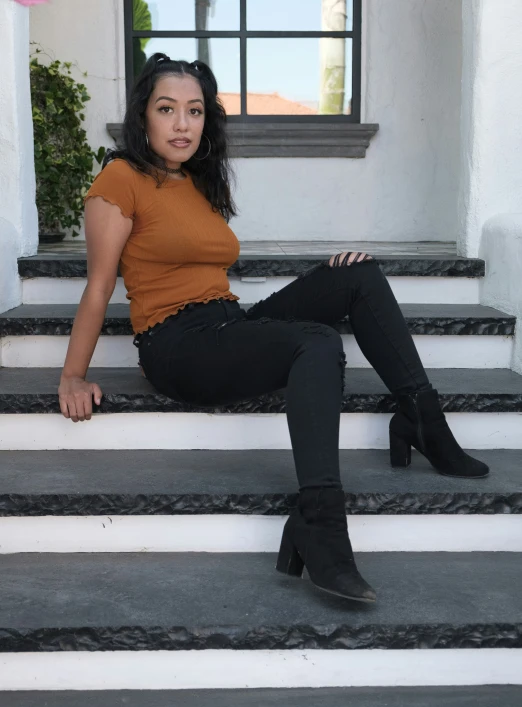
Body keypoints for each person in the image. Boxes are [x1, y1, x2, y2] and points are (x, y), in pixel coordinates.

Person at [58, 53, 489, 605]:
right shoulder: (121, 179)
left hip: (225, 323)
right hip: (176, 346)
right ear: (144, 116)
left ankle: (422, 420)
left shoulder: (196, 182)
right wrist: (73, 375)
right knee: (317, 341)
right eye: (167, 109)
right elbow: (98, 286)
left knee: (357, 272)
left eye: (194, 111)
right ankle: (320, 521)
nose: (182, 123)